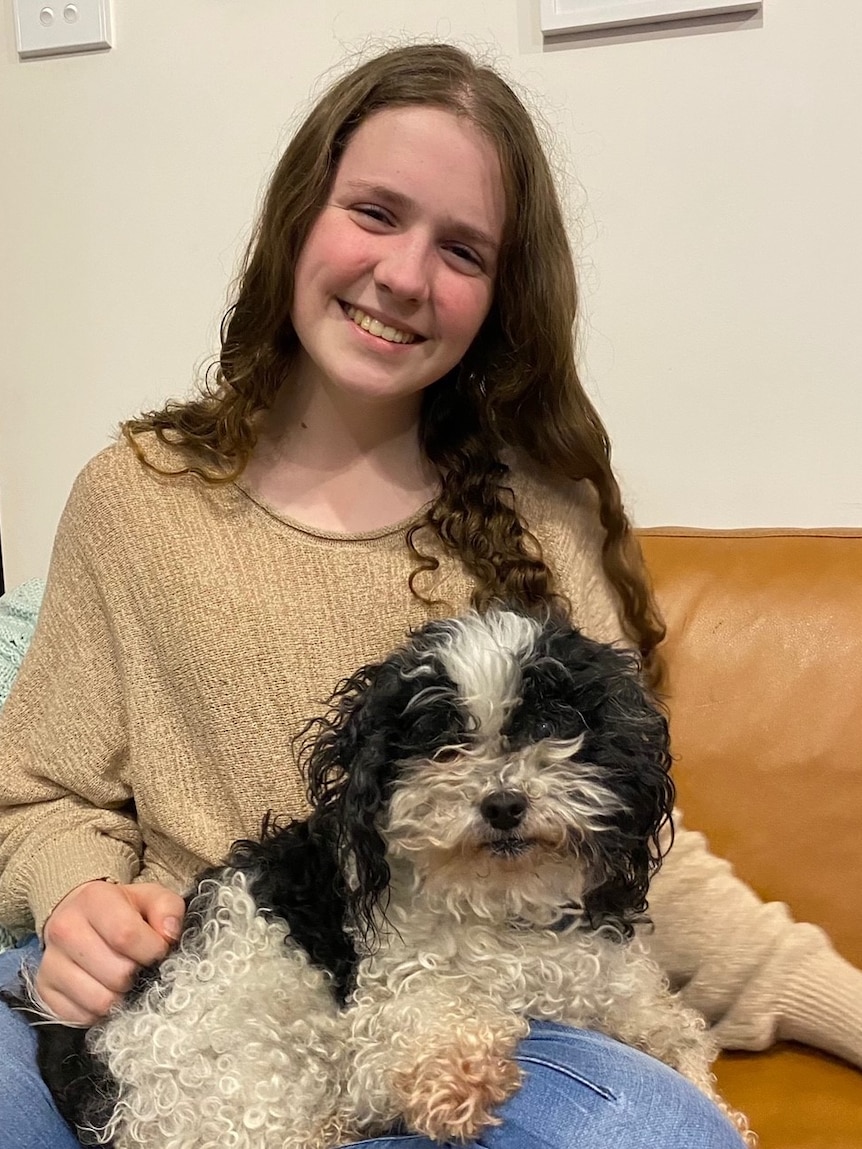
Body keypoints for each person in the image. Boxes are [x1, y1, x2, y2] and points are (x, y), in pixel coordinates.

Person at [0, 42, 859, 1149]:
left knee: (643, 1130)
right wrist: (79, 901)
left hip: (476, 998)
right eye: (374, 211)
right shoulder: (133, 496)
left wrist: (840, 1005)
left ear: (502, 294)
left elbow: (630, 843)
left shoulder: (544, 515)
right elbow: (36, 794)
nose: (404, 276)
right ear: (300, 218)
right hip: (179, 995)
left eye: (461, 248)